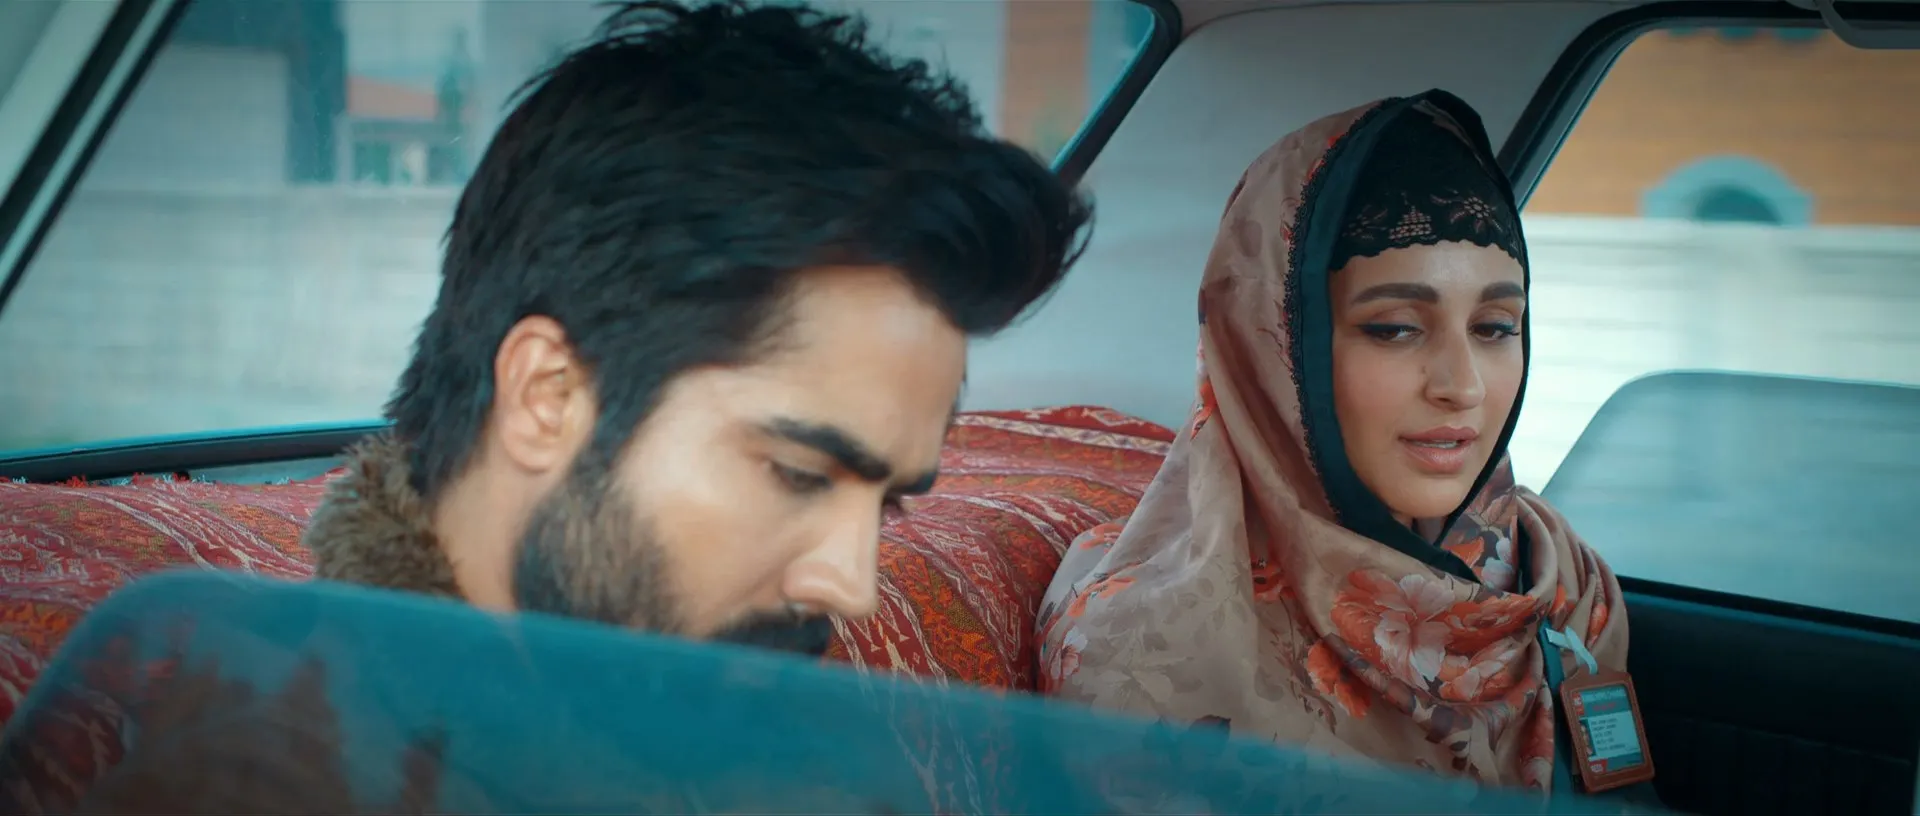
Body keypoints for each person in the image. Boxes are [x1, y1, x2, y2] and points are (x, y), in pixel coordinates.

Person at [302, 0, 1091, 655]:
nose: (852, 587)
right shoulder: (286, 755)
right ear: (547, 395)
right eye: (798, 473)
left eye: (886, 505)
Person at [1035, 90, 1648, 800]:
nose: (1463, 386)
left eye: (1494, 328)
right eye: (1394, 328)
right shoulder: (1144, 654)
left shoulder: (1565, 581)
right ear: (1273, 349)